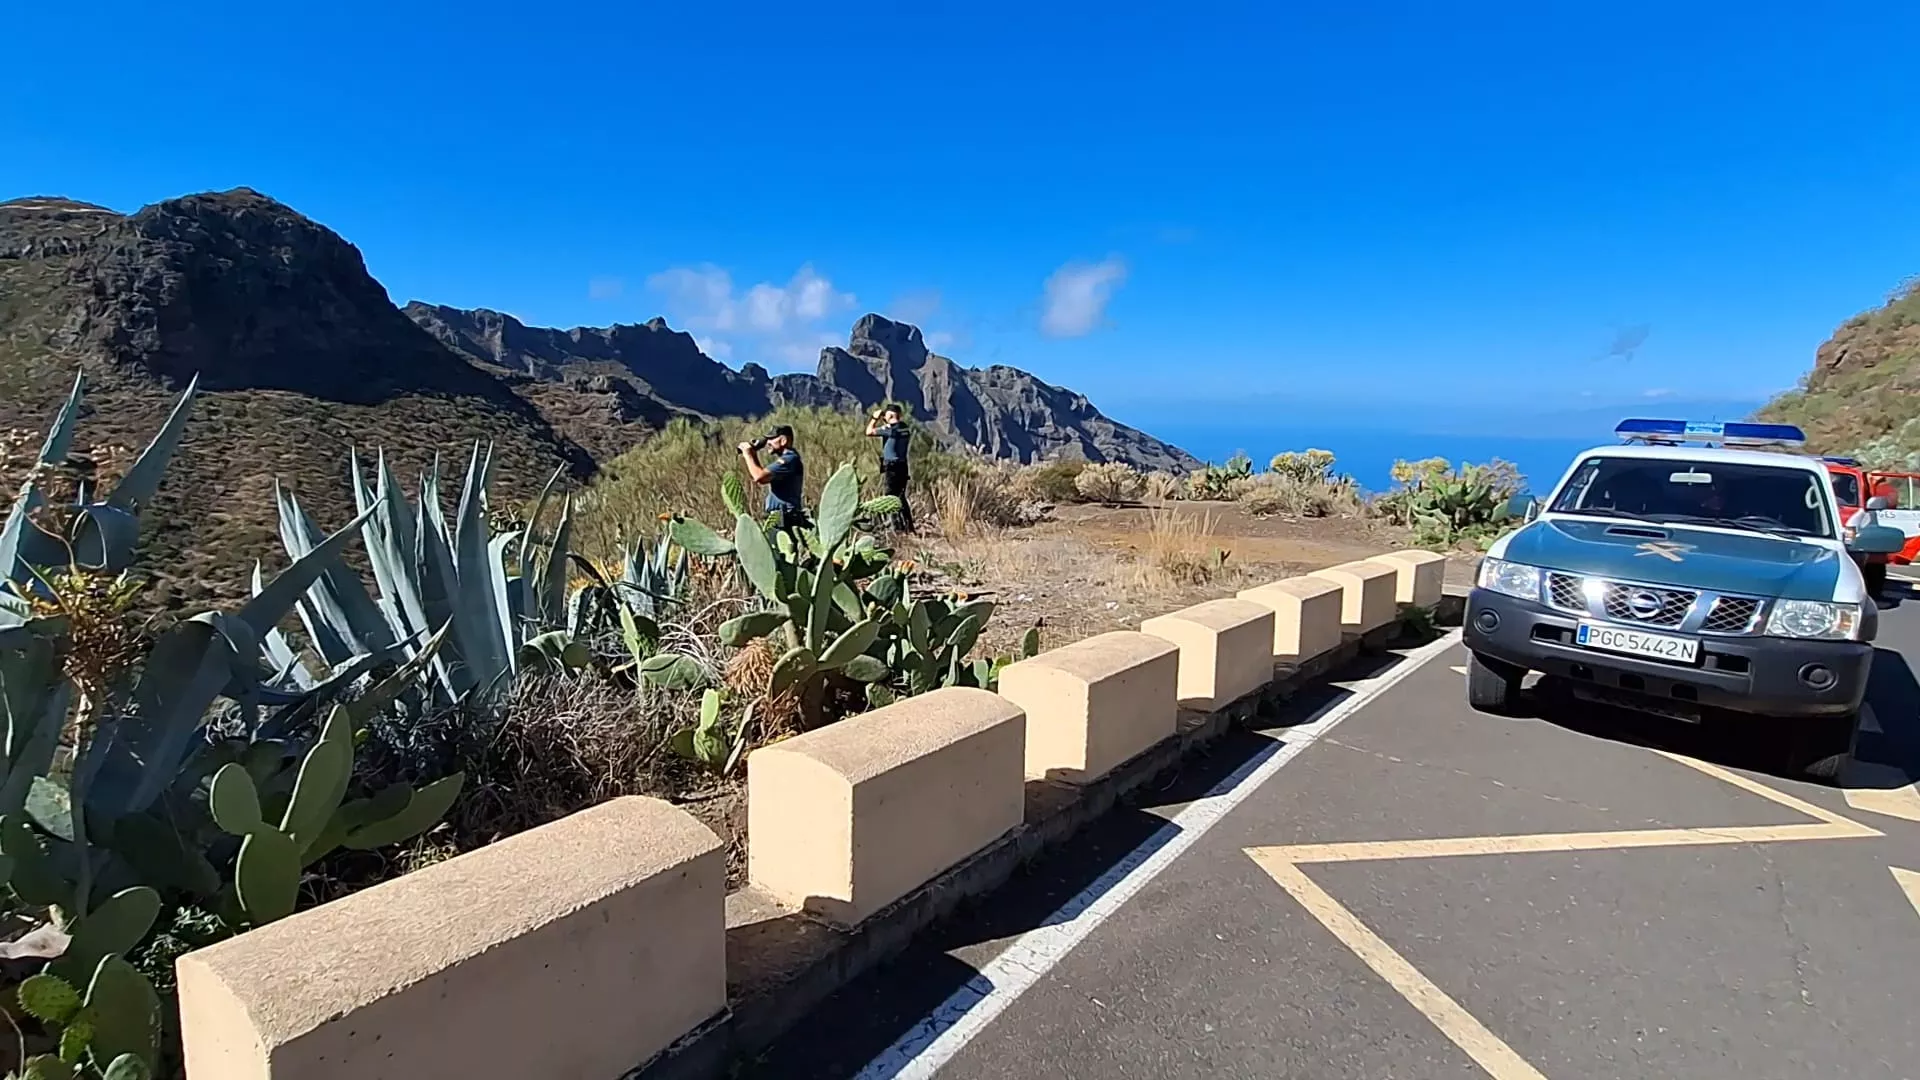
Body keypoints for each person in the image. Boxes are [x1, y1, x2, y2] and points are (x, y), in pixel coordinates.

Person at [738, 424, 809, 531]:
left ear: (783, 440)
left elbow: (759, 477)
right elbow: (760, 475)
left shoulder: (789, 460)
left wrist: (748, 454)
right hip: (779, 517)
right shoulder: (789, 459)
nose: (767, 443)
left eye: (771, 439)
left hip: (786, 518)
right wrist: (753, 454)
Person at [864, 404, 915, 533]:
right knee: (901, 497)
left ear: (890, 415)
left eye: (886, 415)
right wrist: (885, 420)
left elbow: (869, 431)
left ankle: (896, 528)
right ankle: (909, 527)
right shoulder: (904, 428)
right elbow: (893, 429)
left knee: (890, 498)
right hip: (903, 466)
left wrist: (874, 418)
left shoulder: (890, 430)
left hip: (891, 468)